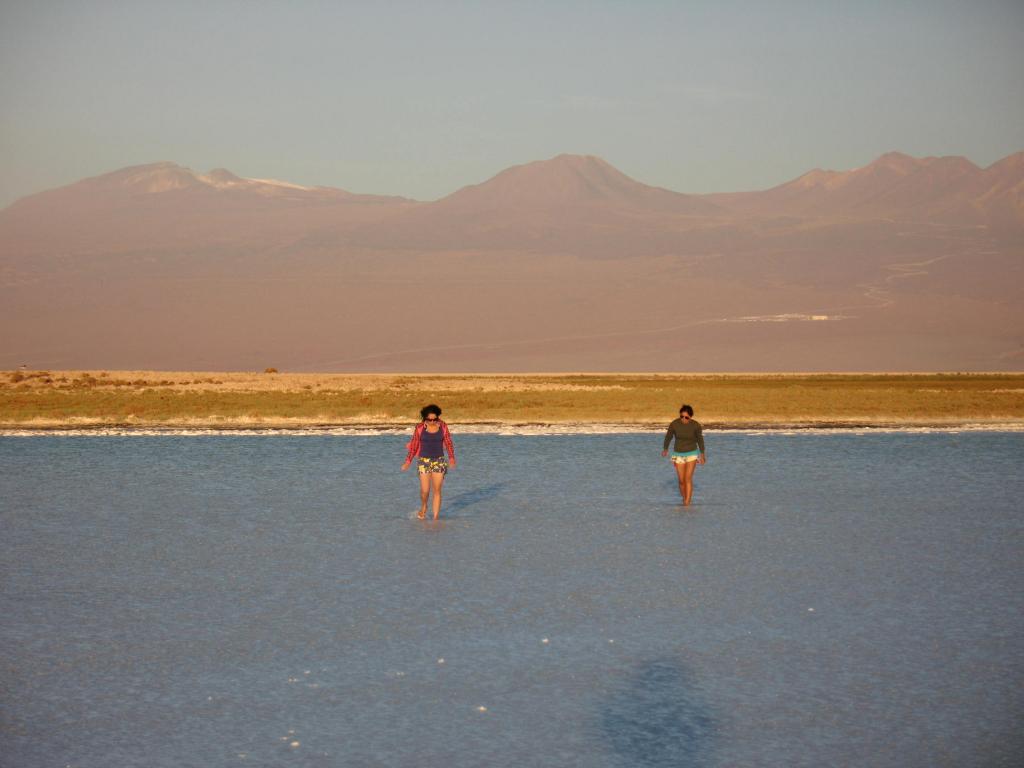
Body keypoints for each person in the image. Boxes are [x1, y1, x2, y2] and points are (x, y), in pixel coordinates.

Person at [401, 404, 456, 520]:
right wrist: (408, 461)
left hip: (439, 461)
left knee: (437, 490)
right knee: (425, 491)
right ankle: (424, 506)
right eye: (429, 419)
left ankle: (436, 519)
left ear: (438, 417)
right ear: (425, 418)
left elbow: (448, 442)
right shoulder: (420, 427)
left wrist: (451, 458)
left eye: (434, 419)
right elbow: (414, 444)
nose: (432, 422)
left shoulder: (443, 426)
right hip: (423, 461)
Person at [661, 404, 706, 505]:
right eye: (681, 416)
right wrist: (665, 449)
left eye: (686, 417)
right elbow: (668, 437)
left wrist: (702, 454)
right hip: (678, 453)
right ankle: (684, 498)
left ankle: (687, 503)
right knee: (681, 481)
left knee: (687, 479)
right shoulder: (674, 424)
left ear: (691, 417)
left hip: (692, 453)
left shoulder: (696, 425)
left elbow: (700, 440)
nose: (683, 419)